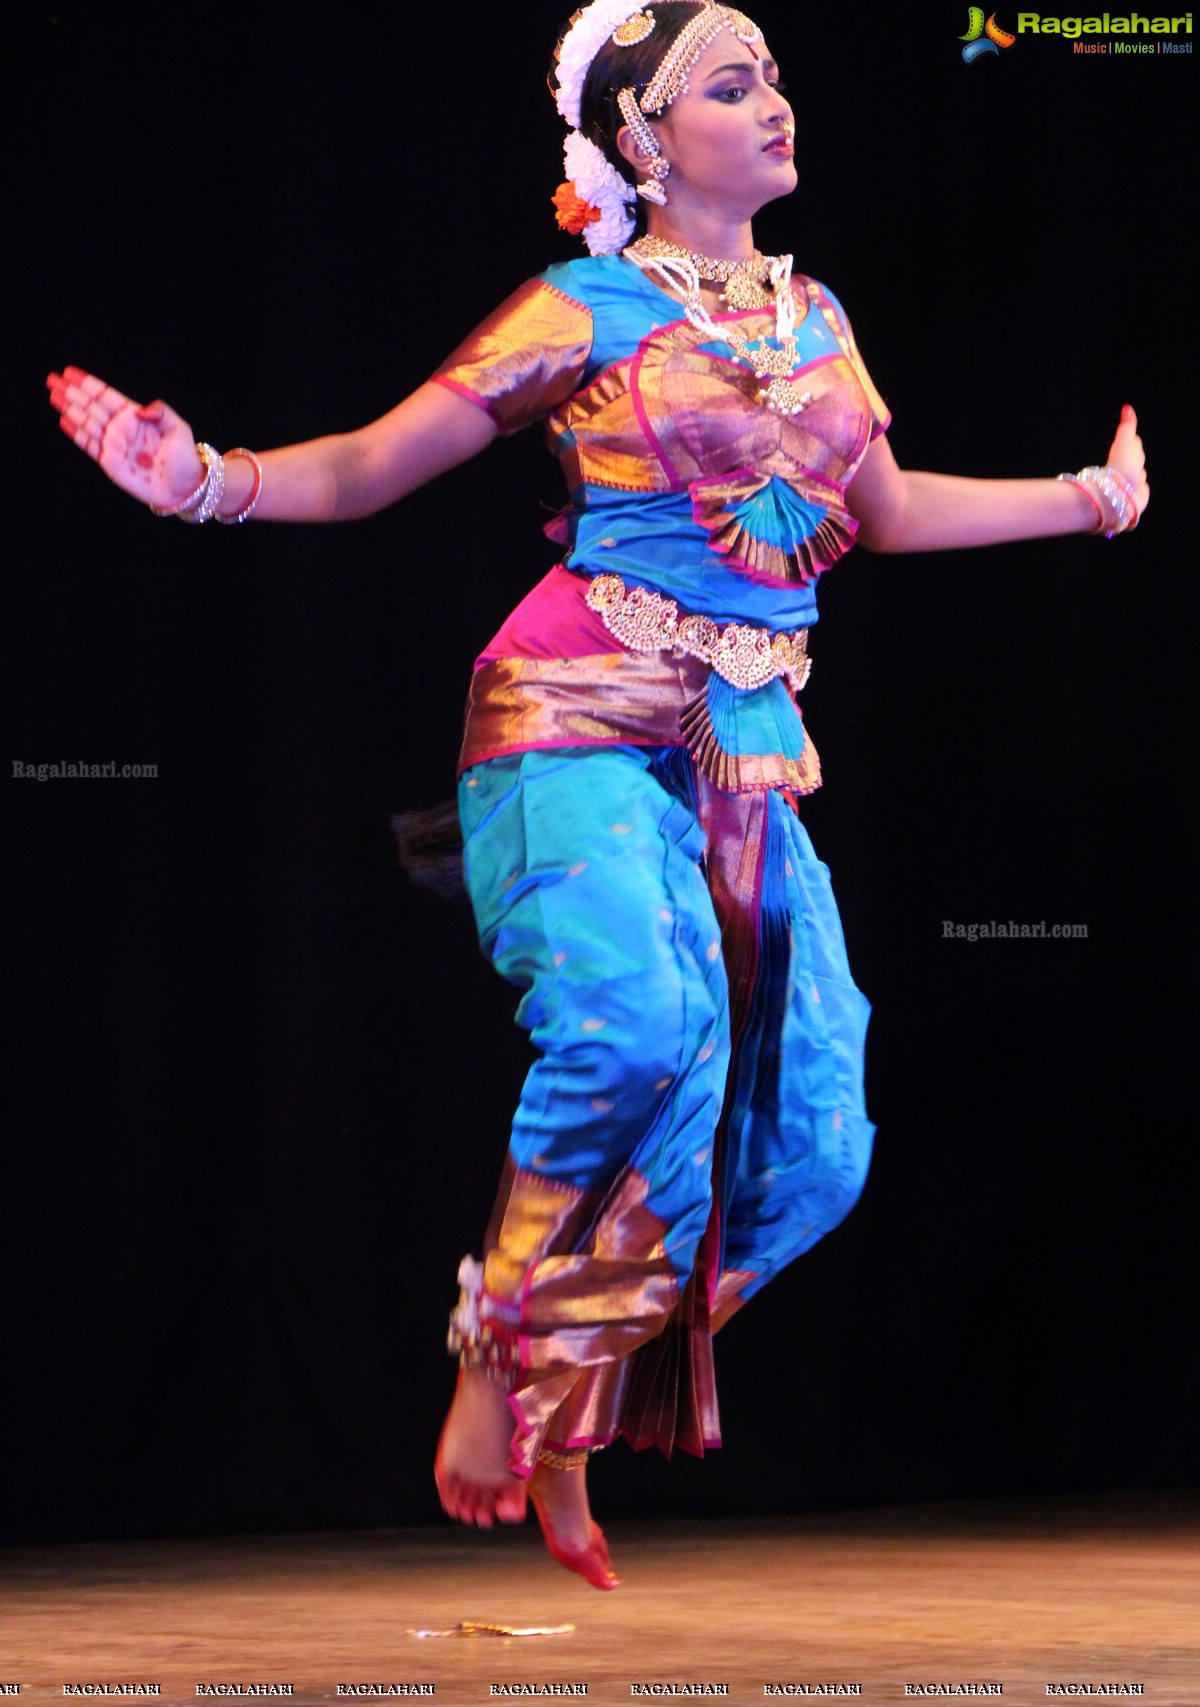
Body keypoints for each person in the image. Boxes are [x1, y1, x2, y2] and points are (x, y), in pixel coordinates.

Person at [47, 0, 1148, 1591]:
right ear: (643, 139)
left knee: (819, 1146)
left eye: (775, 74)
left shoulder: (818, 313)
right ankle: (497, 1345)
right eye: (731, 82)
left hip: (745, 753)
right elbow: (368, 464)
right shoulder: (581, 308)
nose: (776, 101)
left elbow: (886, 513)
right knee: (641, 1031)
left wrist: (1092, 503)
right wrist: (203, 477)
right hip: (567, 721)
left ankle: (573, 1386)